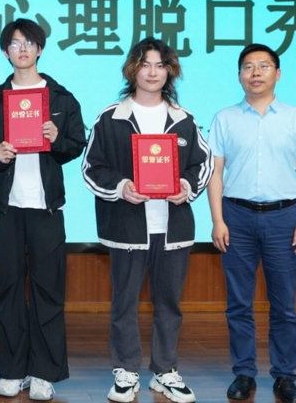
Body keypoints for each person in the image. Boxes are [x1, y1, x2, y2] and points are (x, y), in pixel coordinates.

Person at [81, 37, 211, 403]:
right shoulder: (111, 118)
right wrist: (121, 187)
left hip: (173, 229)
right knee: (124, 302)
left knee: (168, 303)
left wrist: (187, 186)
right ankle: (126, 371)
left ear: (170, 71)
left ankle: (165, 370)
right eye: (145, 64)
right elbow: (91, 167)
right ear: (132, 70)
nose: (152, 72)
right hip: (127, 229)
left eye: (160, 65)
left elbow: (204, 163)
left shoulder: (184, 120)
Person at [0, 18, 86, 401]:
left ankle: (43, 373)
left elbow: (76, 143)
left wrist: (57, 139)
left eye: (29, 42)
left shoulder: (61, 98)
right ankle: (12, 370)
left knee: (48, 291)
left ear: (40, 49)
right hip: (6, 209)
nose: (22, 49)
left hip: (46, 209)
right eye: (15, 43)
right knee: (8, 291)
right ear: (5, 52)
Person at [207, 43, 296, 403]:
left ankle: (285, 376)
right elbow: (215, 173)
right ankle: (244, 374)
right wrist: (217, 220)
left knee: (284, 305)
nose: (255, 72)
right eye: (248, 67)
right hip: (236, 217)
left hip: (284, 218)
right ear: (239, 75)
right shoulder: (225, 118)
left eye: (264, 66)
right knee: (238, 304)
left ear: (278, 73)